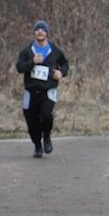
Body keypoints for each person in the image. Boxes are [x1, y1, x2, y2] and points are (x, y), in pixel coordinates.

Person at [15, 20, 70, 158]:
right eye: (37, 29)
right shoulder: (27, 51)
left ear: (47, 33)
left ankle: (46, 138)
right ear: (34, 32)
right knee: (31, 119)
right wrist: (32, 62)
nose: (40, 32)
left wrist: (61, 73)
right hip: (31, 91)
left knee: (46, 115)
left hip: (48, 90)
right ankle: (37, 145)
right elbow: (19, 67)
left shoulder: (55, 51)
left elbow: (65, 64)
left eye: (43, 29)